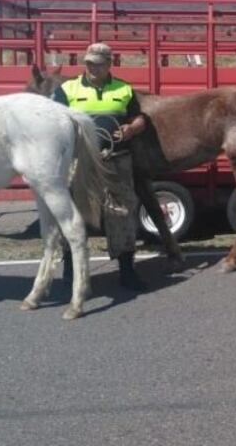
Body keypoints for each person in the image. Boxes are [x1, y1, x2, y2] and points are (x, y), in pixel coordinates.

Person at [53, 42, 149, 290]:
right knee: (73, 214)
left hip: (117, 160)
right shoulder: (67, 89)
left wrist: (132, 128)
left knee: (122, 213)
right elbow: (53, 122)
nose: (92, 68)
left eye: (98, 63)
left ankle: (127, 272)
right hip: (80, 161)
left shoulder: (124, 89)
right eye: (89, 63)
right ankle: (71, 272)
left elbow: (139, 118)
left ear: (109, 64)